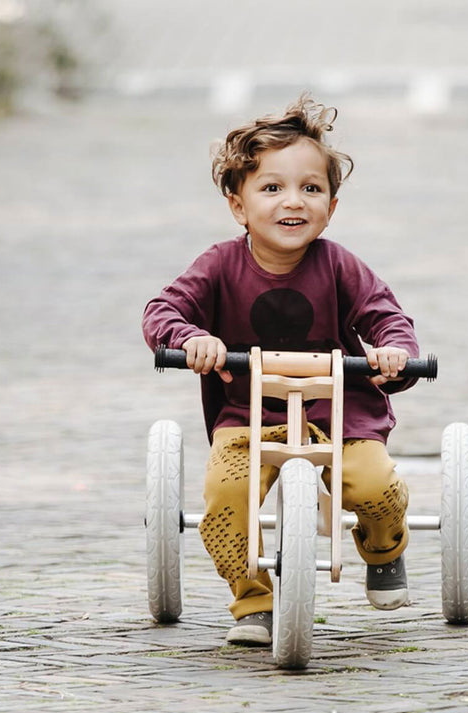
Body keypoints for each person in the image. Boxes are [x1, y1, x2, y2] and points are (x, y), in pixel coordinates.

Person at [142, 94, 420, 646]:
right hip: (247, 417)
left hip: (341, 412)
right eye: (272, 188)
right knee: (226, 498)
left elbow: (387, 318)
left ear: (332, 206)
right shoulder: (219, 265)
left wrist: (394, 353)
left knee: (372, 484)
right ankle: (252, 599)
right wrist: (191, 338)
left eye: (310, 188)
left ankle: (384, 548)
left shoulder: (339, 265)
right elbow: (162, 312)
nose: (292, 201)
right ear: (238, 205)